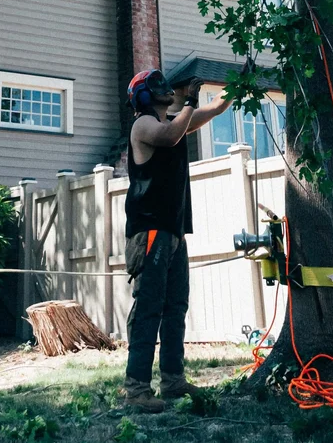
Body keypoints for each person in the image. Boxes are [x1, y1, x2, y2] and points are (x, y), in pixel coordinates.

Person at [122, 68, 232, 412]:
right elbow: (169, 135)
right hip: (151, 230)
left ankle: (172, 381)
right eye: (156, 86)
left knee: (175, 309)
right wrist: (189, 101)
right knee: (149, 310)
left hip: (173, 230)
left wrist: (237, 84)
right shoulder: (144, 124)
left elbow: (214, 110)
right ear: (143, 95)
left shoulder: (177, 120)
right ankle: (137, 390)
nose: (164, 88)